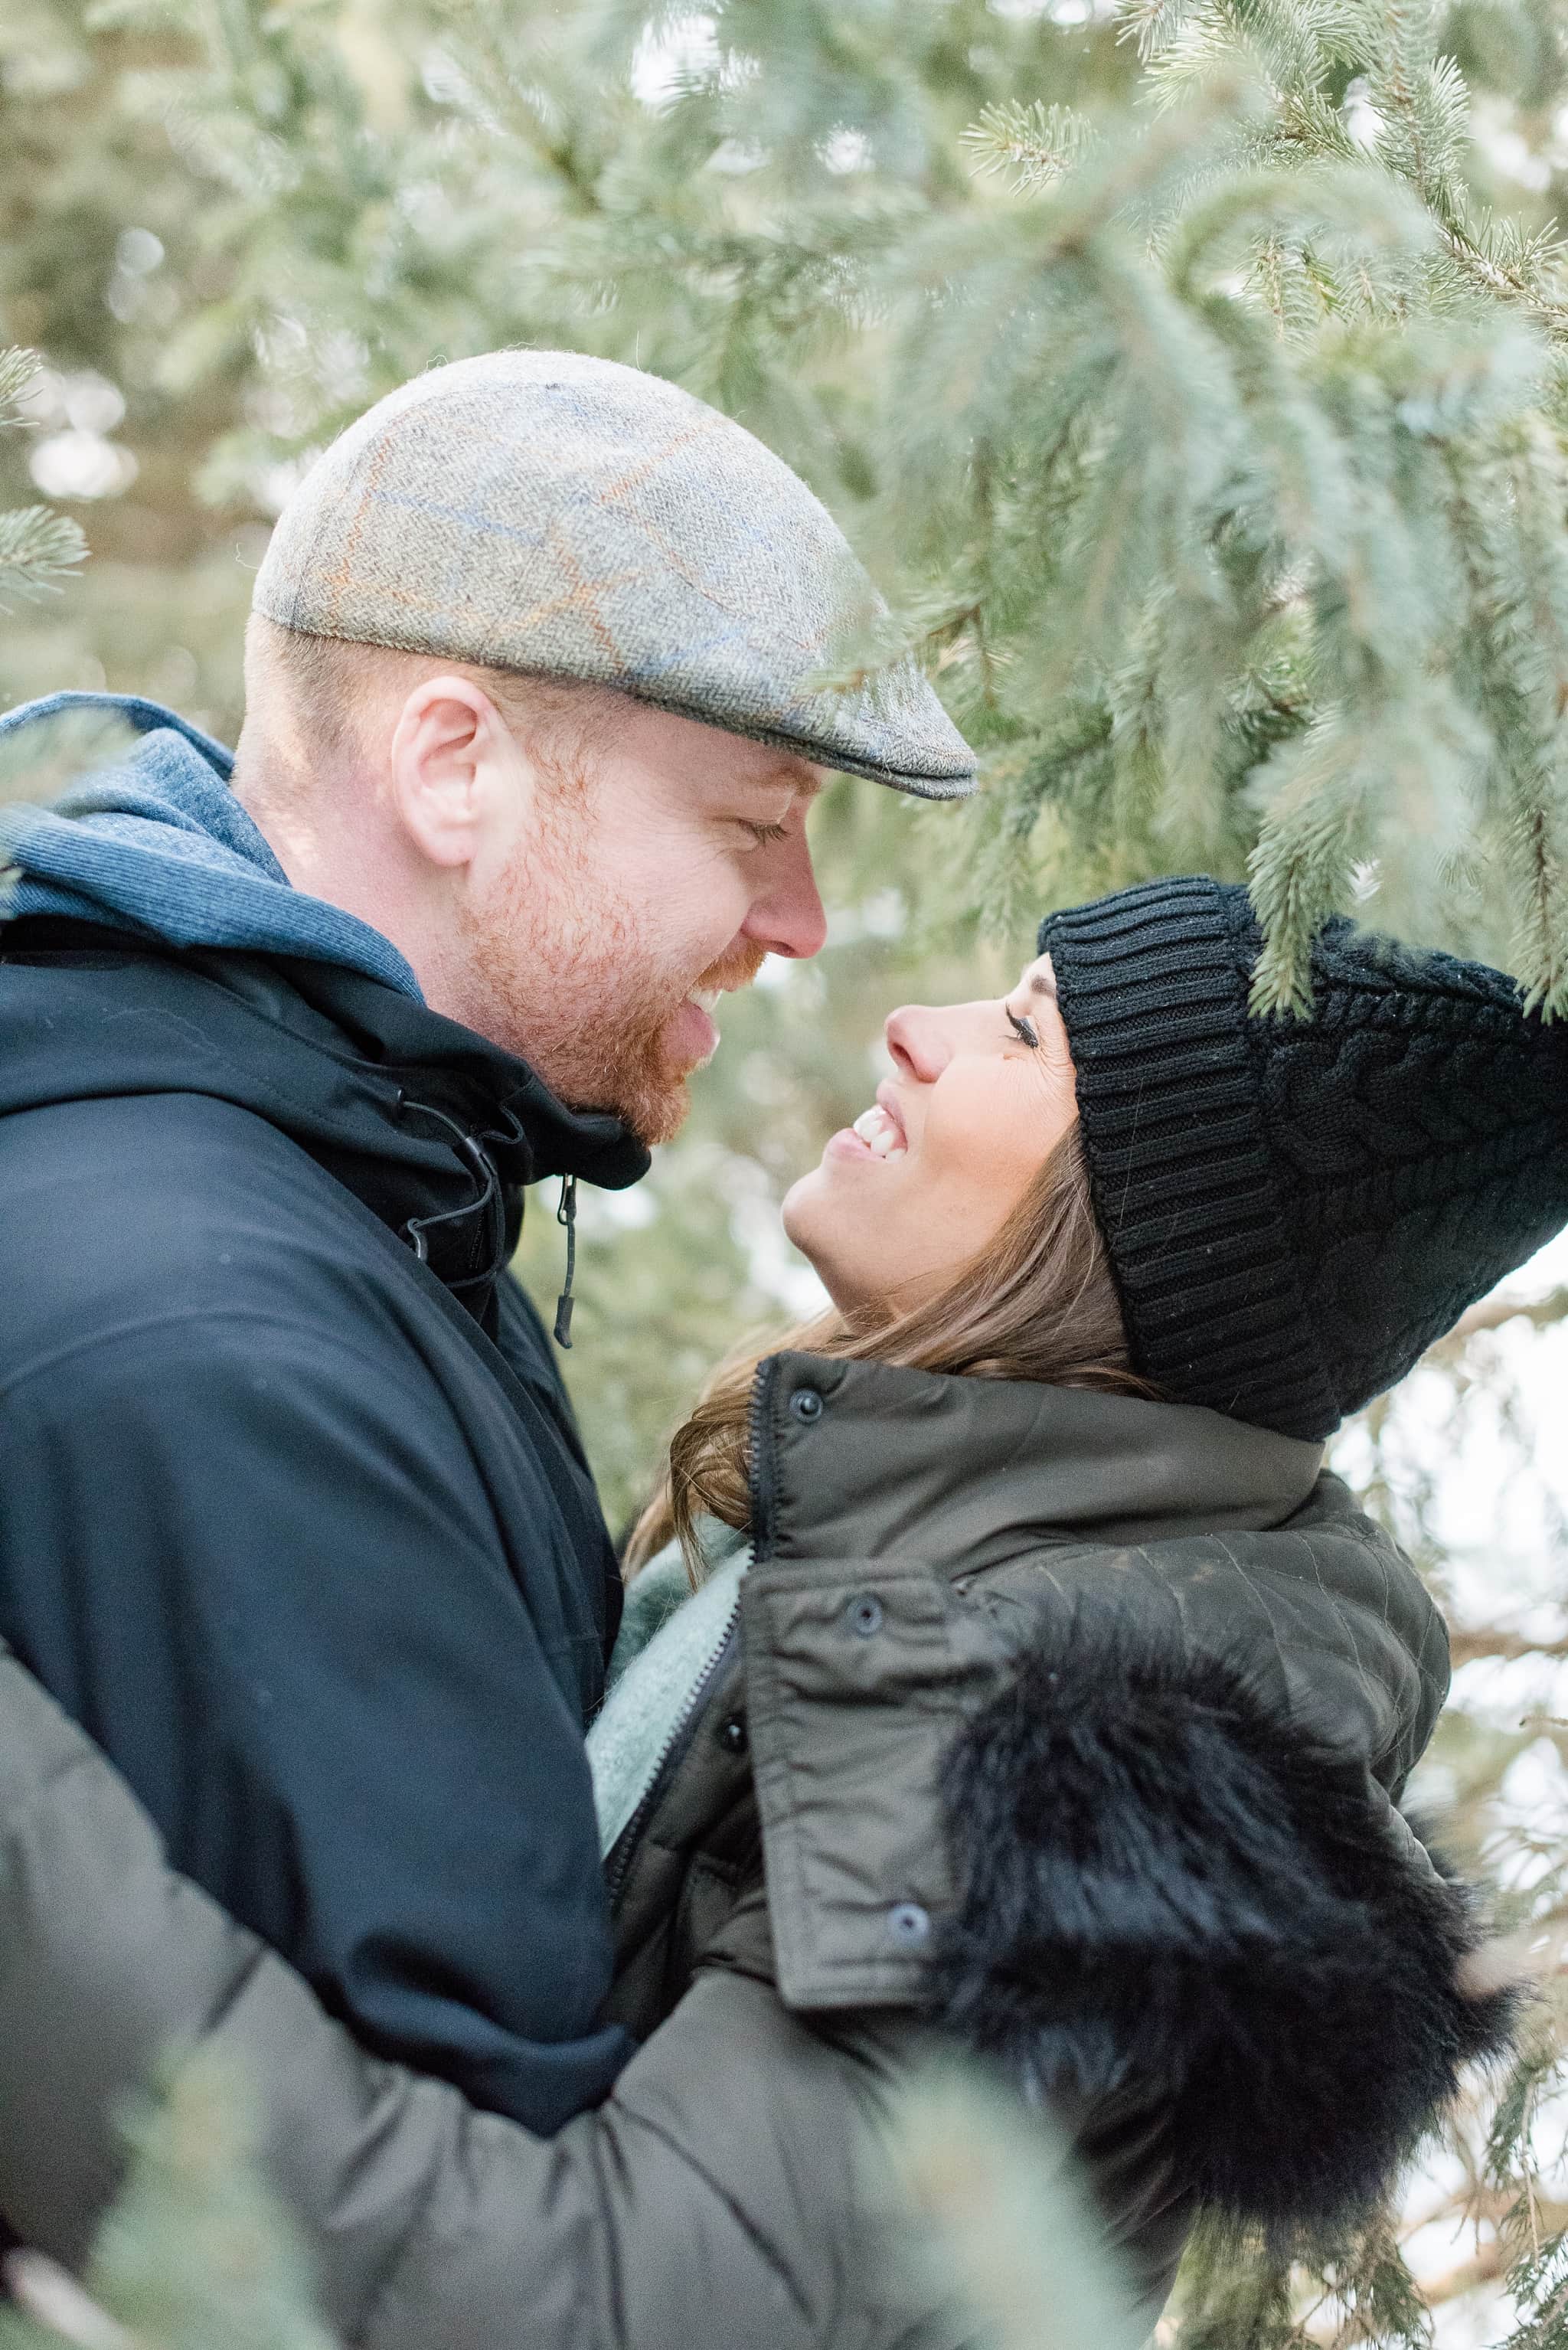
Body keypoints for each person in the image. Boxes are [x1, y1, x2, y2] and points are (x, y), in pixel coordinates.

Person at [0, 874, 1543, 2348]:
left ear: (1143, 1237)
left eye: (1022, 1032)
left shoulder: (1081, 1787)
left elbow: (562, 2307)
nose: (912, 1026)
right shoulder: (842, 1569)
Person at [0, 347, 975, 2138]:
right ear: (457, 767)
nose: (801, 920)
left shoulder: (383, 1194)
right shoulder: (212, 1344)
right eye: (755, 824)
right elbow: (445, 2220)